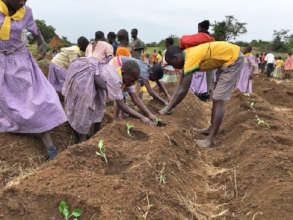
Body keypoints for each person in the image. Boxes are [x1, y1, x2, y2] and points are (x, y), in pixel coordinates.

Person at [0, 0, 67, 160]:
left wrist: (42, 43)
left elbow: (35, 31)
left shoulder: (26, 12)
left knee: (36, 101)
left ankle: (48, 143)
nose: (23, 2)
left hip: (20, 62)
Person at [159, 42, 244, 148]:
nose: (173, 66)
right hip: (226, 59)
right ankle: (211, 129)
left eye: (172, 63)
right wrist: (168, 107)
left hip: (233, 59)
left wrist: (167, 108)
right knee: (216, 97)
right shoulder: (187, 56)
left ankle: (211, 140)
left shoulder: (191, 58)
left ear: (176, 58)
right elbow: (180, 84)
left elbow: (183, 90)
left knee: (218, 99)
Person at [63, 59, 156, 142]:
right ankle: (81, 138)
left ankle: (96, 134)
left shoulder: (128, 78)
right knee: (84, 106)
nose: (132, 83)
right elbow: (121, 105)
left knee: (99, 106)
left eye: (134, 81)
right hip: (84, 75)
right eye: (131, 81)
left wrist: (149, 114)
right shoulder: (115, 79)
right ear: (123, 73)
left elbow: (135, 98)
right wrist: (142, 117)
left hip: (97, 79)